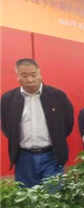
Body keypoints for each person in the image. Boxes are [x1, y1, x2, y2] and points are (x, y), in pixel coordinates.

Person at [0, 58, 74, 187]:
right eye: (24, 76)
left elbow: (67, 124)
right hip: (23, 158)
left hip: (52, 155)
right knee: (27, 195)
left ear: (39, 73)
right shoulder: (8, 99)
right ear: (17, 76)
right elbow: (7, 126)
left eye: (33, 75)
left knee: (53, 195)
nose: (30, 80)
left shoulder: (57, 96)